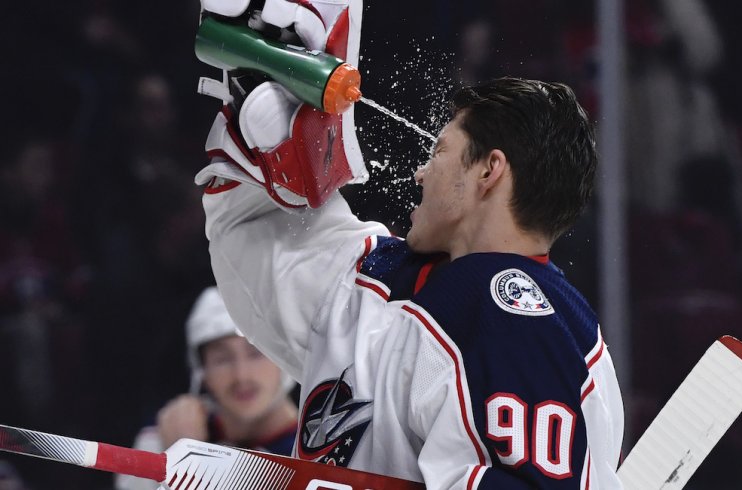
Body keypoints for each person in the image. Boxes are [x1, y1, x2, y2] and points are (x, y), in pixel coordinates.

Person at [194, 0, 624, 488]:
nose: (422, 170)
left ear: (489, 171)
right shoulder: (384, 278)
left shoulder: (522, 320)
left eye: (440, 151)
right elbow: (255, 250)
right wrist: (263, 111)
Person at [115, 287, 298, 490]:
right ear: (201, 371)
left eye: (256, 354)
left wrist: (186, 467)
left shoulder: (322, 455)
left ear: (285, 359)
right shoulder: (162, 435)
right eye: (222, 359)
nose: (241, 376)